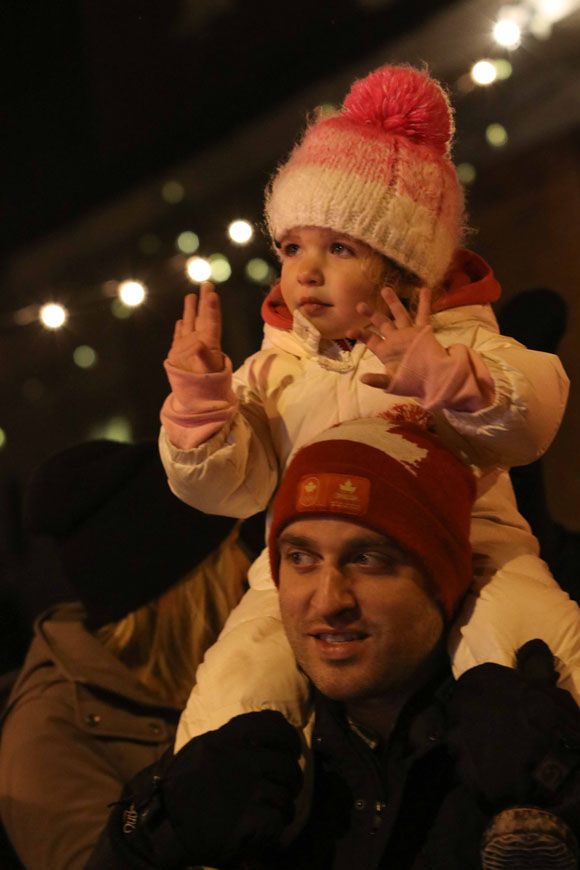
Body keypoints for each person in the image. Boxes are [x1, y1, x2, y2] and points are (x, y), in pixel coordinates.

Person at [158, 64, 578, 750]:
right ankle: (218, 833)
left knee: (532, 652)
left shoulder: (458, 337)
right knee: (234, 689)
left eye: (339, 248)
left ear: (401, 264)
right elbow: (233, 491)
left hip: (473, 549)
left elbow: (531, 415)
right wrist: (203, 407)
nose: (305, 271)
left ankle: (541, 807)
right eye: (292, 247)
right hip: (298, 576)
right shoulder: (276, 367)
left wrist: (450, 378)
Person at [86, 416, 580, 869]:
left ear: (442, 580)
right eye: (301, 558)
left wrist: (567, 781)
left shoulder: (521, 743)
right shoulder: (238, 754)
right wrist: (156, 828)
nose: (327, 601)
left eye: (367, 559)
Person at [0, 440, 257, 870]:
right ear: (174, 592)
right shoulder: (49, 738)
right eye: (228, 548)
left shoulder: (215, 666)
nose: (247, 564)